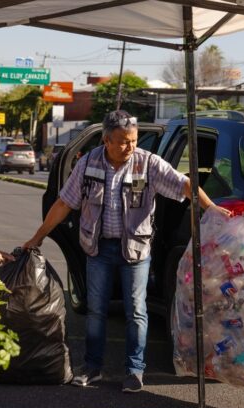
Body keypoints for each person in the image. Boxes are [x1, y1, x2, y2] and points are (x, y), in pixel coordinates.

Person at [23, 110, 230, 393]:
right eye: (123, 141)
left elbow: (185, 185)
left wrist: (212, 209)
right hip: (97, 249)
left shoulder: (148, 163)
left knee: (136, 311)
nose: (130, 146)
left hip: (136, 251)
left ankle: (134, 370)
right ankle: (92, 367)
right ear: (106, 140)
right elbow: (63, 203)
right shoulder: (87, 164)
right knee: (96, 311)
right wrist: (37, 237)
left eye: (133, 140)